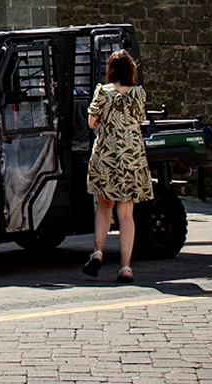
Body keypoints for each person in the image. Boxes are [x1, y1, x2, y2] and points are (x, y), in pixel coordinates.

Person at [82, 49, 152, 283]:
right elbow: (139, 119)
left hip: (106, 155)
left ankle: (98, 251)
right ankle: (125, 267)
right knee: (126, 213)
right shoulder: (139, 93)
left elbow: (92, 121)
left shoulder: (102, 92)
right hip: (131, 156)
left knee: (104, 206)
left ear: (110, 70)